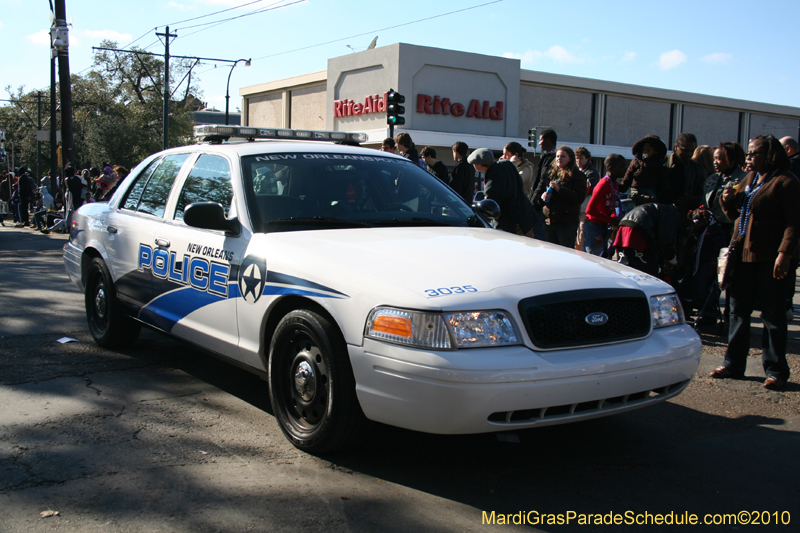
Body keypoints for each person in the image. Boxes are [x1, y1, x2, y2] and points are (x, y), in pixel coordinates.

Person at [711, 135, 800, 391]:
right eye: (748, 153)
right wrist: (727, 199)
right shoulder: (750, 179)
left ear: (770, 155)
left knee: (772, 314)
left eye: (754, 153)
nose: (748, 157)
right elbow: (738, 216)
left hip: (771, 258)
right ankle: (733, 364)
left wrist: (784, 253)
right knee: (737, 311)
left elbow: (795, 222)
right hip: (743, 257)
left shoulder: (786, 182)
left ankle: (776, 371)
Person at [467, 147, 534, 235]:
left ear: (480, 165)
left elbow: (488, 210)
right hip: (526, 217)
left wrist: (473, 221)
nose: (473, 166)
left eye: (474, 164)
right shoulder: (506, 164)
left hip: (511, 225)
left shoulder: (491, 185)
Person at [532, 145, 587, 247]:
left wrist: (560, 189)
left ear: (570, 158)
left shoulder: (577, 176)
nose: (559, 159)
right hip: (549, 221)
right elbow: (539, 192)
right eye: (557, 156)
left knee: (564, 252)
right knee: (549, 251)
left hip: (566, 224)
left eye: (563, 156)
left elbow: (579, 198)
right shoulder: (550, 173)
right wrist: (542, 197)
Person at [613, 202, 679, 278]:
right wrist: (672, 259)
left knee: (626, 267)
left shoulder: (661, 209)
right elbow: (664, 241)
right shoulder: (672, 214)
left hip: (625, 224)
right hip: (638, 229)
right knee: (646, 272)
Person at [703, 142, 747, 240]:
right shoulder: (712, 178)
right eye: (714, 159)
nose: (715, 162)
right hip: (711, 227)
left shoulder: (744, 179)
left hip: (730, 230)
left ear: (731, 161)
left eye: (719, 159)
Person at [583, 154, 626, 255]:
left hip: (604, 225)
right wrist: (611, 220)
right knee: (594, 257)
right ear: (611, 168)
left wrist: (613, 217)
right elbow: (590, 210)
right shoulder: (603, 184)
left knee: (603, 256)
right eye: (622, 166)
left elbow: (611, 206)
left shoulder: (615, 184)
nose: (625, 169)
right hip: (594, 226)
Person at [619, 134, 668, 206]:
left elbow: (662, 179)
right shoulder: (636, 161)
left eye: (648, 150)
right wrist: (622, 187)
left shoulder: (658, 163)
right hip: (637, 188)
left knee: (652, 201)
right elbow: (629, 175)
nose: (645, 152)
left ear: (655, 152)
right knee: (637, 199)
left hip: (650, 189)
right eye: (644, 149)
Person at [661, 132, 706, 210]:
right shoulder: (661, 163)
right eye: (685, 150)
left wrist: (695, 200)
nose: (689, 154)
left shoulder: (698, 170)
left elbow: (704, 194)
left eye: (692, 151)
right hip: (661, 209)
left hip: (684, 212)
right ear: (676, 147)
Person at [529, 128, 558, 239]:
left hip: (541, 203)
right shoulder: (549, 157)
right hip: (542, 203)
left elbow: (543, 180)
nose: (539, 143)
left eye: (541, 140)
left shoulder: (552, 158)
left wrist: (534, 201)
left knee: (540, 236)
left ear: (548, 140)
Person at [575, 146, 601, 250]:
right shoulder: (577, 170)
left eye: (581, 158)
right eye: (577, 158)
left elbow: (587, 190)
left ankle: (581, 255)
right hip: (577, 208)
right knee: (577, 235)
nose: (578, 161)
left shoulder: (591, 172)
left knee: (582, 235)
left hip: (585, 210)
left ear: (587, 158)